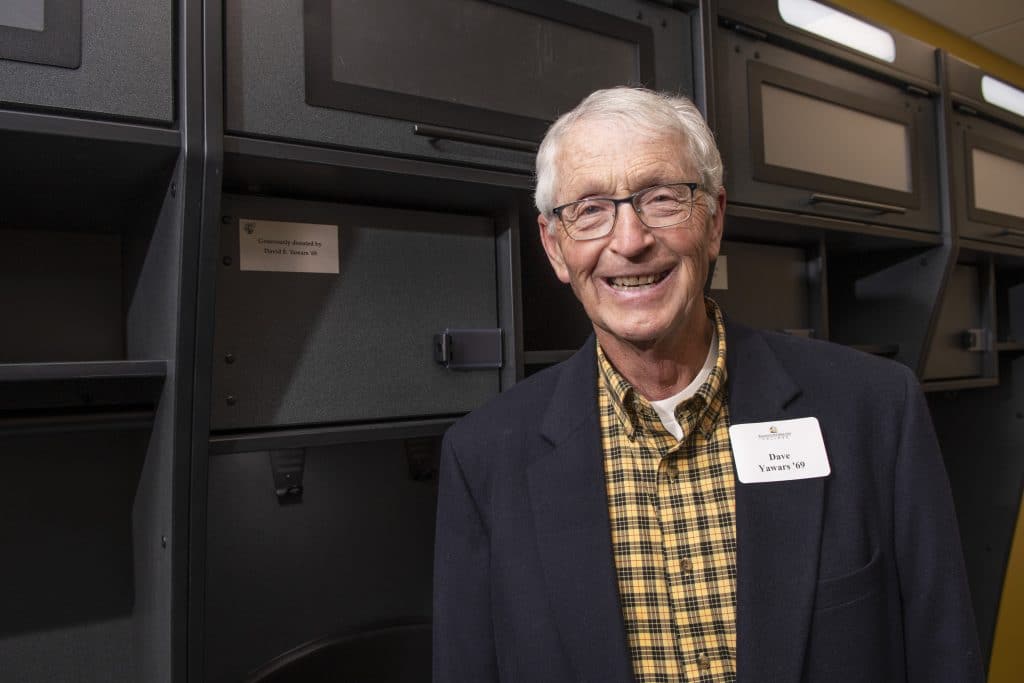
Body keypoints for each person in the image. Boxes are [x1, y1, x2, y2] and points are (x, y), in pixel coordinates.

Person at [432, 87, 982, 682]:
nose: (630, 239)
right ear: (555, 248)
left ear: (714, 220)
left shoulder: (875, 410)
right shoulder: (484, 458)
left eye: (663, 198)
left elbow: (942, 651)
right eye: (589, 209)